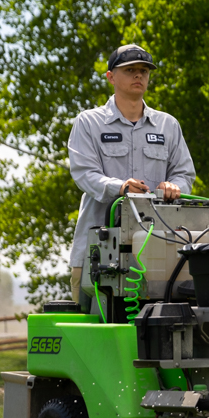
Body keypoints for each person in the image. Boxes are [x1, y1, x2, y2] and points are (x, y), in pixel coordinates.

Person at [67, 44, 196, 303]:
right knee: (94, 337)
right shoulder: (89, 122)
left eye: (144, 70)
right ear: (111, 77)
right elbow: (84, 173)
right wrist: (120, 187)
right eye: (130, 70)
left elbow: (185, 174)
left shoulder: (168, 125)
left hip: (159, 254)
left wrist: (174, 187)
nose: (139, 75)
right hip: (97, 254)